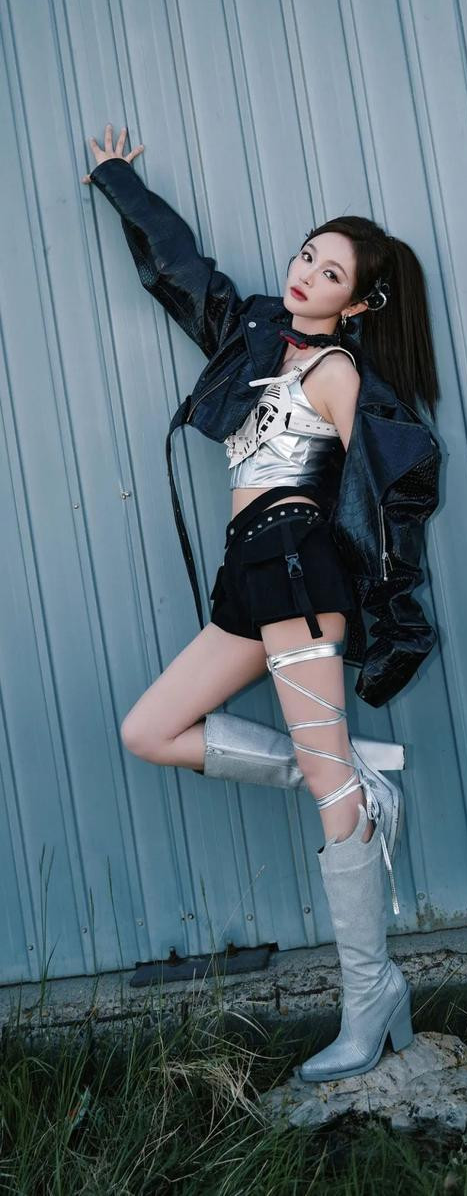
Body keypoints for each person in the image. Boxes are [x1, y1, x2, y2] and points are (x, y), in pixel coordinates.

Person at [81, 123, 442, 1084]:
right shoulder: (248, 333)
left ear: (356, 303)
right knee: (150, 728)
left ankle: (370, 998)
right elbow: (181, 270)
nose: (305, 274)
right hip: (246, 575)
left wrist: (378, 598)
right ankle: (348, 775)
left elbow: (391, 489)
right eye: (306, 256)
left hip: (296, 573)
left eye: (330, 274)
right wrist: (117, 181)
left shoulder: (339, 373)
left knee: (329, 801)